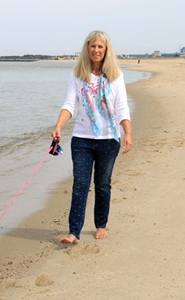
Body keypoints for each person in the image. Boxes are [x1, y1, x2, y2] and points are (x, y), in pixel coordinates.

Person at [51, 30, 132, 245]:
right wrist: (59, 125)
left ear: (106, 50)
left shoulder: (116, 76)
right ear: (87, 49)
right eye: (93, 46)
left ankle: (100, 225)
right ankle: (74, 232)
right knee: (80, 184)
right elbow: (70, 104)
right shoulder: (77, 76)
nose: (96, 50)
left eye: (100, 47)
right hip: (81, 140)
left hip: (108, 139)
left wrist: (128, 134)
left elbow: (122, 107)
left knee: (103, 184)